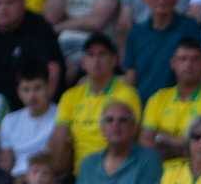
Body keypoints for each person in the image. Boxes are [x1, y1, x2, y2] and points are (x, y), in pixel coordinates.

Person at [48, 33, 142, 176]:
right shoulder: (70, 96)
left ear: (114, 60)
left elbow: (130, 137)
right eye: (91, 55)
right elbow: (60, 137)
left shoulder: (127, 94)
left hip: (116, 172)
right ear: (83, 62)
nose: (96, 60)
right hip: (80, 174)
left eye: (102, 54)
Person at [70, 100, 162, 184]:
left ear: (133, 128)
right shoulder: (88, 163)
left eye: (123, 120)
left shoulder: (148, 159)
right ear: (102, 128)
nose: (115, 125)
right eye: (109, 120)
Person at [140, 38, 201, 159]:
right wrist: (186, 144)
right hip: (160, 171)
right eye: (183, 59)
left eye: (195, 59)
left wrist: (162, 137)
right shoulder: (157, 98)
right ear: (173, 63)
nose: (188, 65)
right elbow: (145, 141)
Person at [123, 0, 201, 102]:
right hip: (143, 106)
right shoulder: (136, 33)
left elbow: (197, 69)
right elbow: (131, 76)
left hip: (179, 105)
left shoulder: (189, 28)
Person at [0, 0, 62, 104]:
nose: (3, 9)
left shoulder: (39, 27)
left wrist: (42, 108)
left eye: (9, 2)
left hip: (31, 104)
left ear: (22, 2)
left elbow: (53, 69)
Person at [0, 64, 56, 177]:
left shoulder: (61, 116)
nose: (32, 96)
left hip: (46, 178)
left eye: (37, 88)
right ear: (19, 92)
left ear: (48, 87)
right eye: (26, 90)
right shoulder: (9, 121)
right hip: (17, 180)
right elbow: (6, 163)